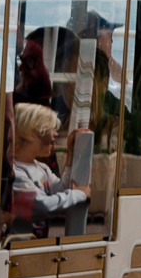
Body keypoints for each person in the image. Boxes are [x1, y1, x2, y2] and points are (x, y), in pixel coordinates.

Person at [8, 100, 88, 233]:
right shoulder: (16, 173)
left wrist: (70, 156)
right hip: (19, 247)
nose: (55, 135)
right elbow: (44, 205)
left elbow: (61, 192)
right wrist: (79, 194)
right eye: (48, 130)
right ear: (29, 135)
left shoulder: (41, 168)